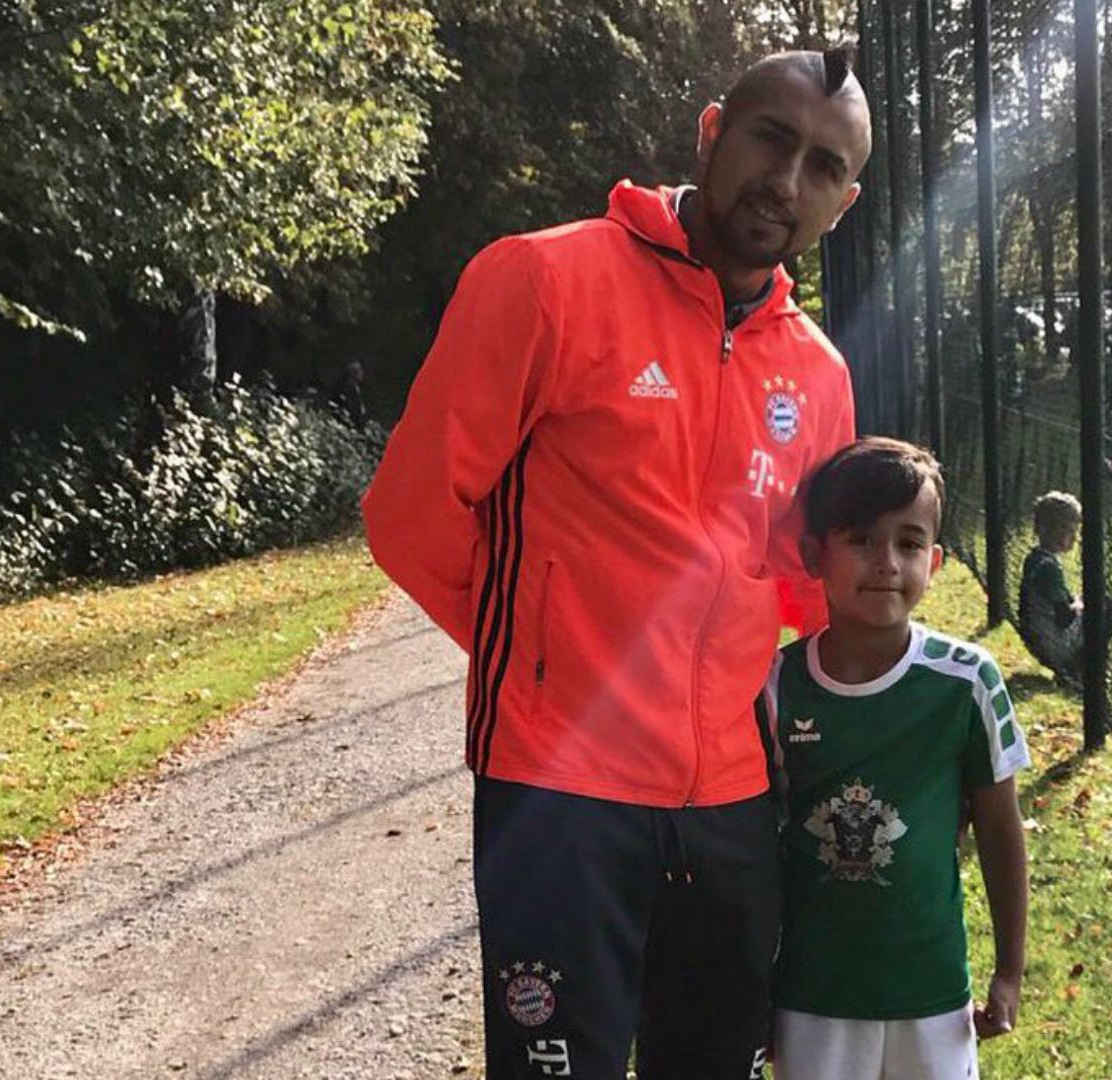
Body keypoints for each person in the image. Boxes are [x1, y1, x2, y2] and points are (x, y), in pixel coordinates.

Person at [360, 47, 870, 1080]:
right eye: (771, 140)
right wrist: (545, 664)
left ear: (843, 203)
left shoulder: (817, 374)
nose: (785, 181)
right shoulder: (544, 280)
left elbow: (805, 580)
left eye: (823, 167)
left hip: (731, 800)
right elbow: (411, 514)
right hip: (562, 790)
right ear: (712, 131)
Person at [761, 437, 1029, 1080]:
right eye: (860, 539)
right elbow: (757, 849)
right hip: (812, 995)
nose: (886, 563)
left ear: (933, 561)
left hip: (930, 992)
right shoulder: (775, 686)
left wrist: (1009, 971)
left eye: (908, 543)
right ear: (813, 555)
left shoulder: (966, 682)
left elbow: (1000, 831)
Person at [1016, 491, 1112, 689]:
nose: (1074, 537)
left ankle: (1076, 671)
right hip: (1052, 642)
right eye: (1067, 531)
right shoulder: (1049, 569)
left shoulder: (1034, 558)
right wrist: (1081, 604)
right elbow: (1064, 617)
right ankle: (1083, 672)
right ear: (1045, 530)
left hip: (1036, 637)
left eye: (1075, 530)